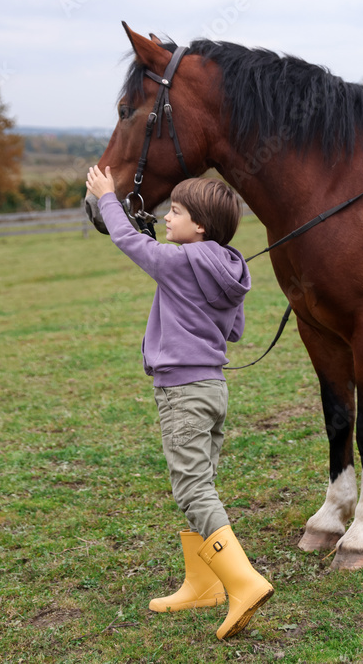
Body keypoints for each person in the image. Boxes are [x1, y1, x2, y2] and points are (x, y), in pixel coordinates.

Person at [85, 166, 273, 640]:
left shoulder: (181, 262)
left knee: (193, 489)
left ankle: (243, 582)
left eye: (177, 212)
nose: (168, 218)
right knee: (200, 481)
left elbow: (134, 245)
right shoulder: (229, 266)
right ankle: (202, 585)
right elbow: (234, 330)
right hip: (213, 389)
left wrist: (109, 198)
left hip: (183, 392)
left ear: (201, 226)